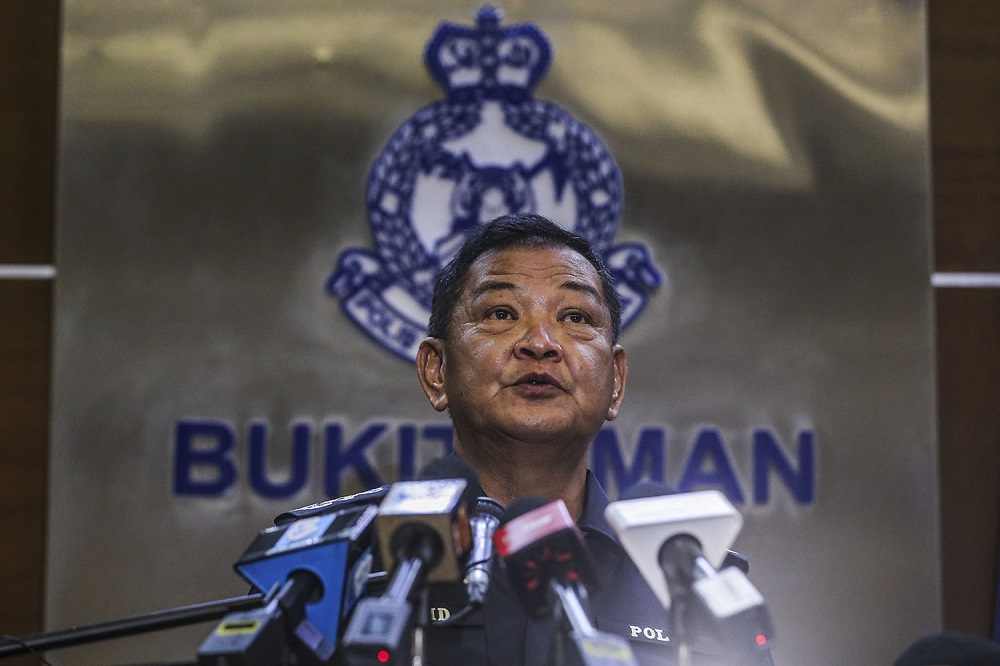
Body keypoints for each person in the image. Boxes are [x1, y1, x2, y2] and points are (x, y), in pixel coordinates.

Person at [412, 212, 775, 665]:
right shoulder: (359, 568)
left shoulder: (692, 584)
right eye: (501, 313)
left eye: (575, 317)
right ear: (436, 372)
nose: (541, 343)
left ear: (616, 381)